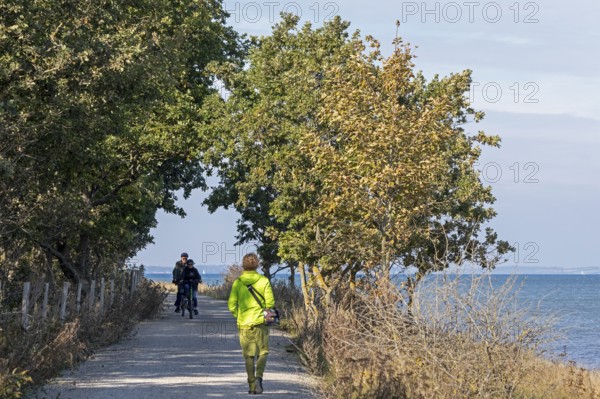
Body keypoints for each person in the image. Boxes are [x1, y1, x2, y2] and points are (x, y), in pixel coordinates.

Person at [228, 253, 275, 395]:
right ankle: (259, 377)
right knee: (263, 352)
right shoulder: (264, 280)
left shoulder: (238, 282)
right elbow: (270, 303)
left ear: (244, 265)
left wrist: (239, 316)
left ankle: (251, 385)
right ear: (257, 265)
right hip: (261, 322)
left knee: (248, 356)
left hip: (244, 324)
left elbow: (231, 304)